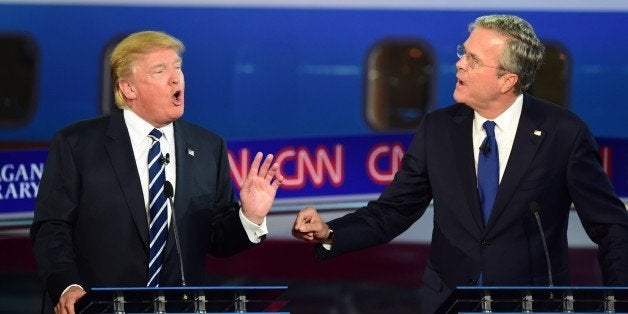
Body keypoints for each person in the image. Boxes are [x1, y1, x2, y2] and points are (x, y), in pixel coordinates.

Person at [292, 14, 628, 313]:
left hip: (531, 303)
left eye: (473, 58)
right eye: (462, 52)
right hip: (448, 301)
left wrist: (619, 300)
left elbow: (610, 226)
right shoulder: (437, 129)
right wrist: (330, 232)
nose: (459, 64)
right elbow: (394, 210)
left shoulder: (563, 133)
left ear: (507, 80)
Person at [30, 30, 284, 314]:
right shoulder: (78, 144)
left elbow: (216, 239)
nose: (176, 78)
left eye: (178, 67)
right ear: (129, 88)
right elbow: (52, 228)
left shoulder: (207, 147)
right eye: (160, 70)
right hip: (95, 307)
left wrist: (249, 216)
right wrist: (67, 286)